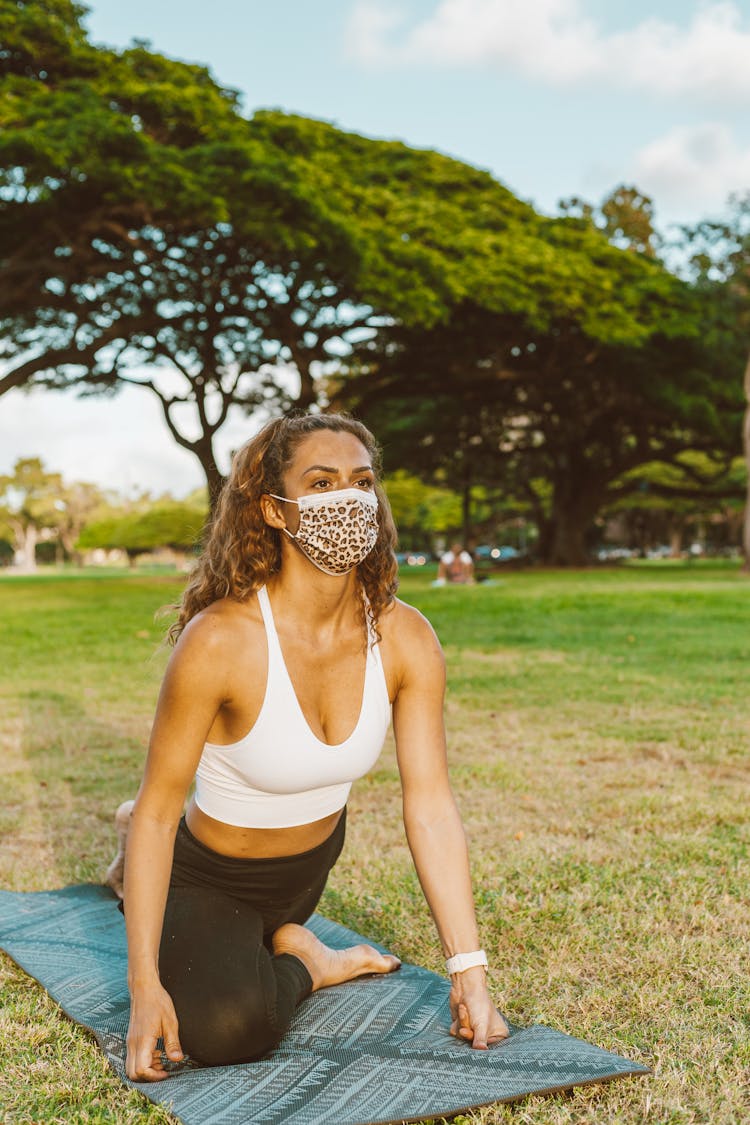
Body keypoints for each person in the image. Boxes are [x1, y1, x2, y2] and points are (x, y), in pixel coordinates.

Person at [108, 413, 508, 1083]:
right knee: (228, 1029)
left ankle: (292, 937)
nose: (346, 500)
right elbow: (158, 810)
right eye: (320, 483)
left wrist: (469, 969)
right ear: (274, 509)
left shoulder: (407, 637)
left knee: (239, 989)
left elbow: (432, 804)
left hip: (306, 869)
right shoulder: (219, 641)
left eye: (361, 482)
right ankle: (310, 963)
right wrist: (144, 984)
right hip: (208, 872)